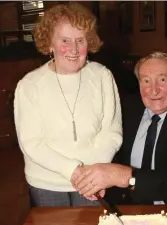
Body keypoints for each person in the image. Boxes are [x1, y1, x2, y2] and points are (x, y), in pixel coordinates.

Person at [73, 52, 167, 204]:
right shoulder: (127, 107)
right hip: (133, 208)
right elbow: (113, 152)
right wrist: (101, 182)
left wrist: (122, 176)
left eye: (162, 79)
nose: (154, 90)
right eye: (146, 81)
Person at [14, 2, 122, 207]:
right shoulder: (30, 85)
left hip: (93, 177)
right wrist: (74, 170)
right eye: (65, 40)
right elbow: (32, 142)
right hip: (46, 182)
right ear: (49, 44)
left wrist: (94, 172)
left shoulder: (102, 76)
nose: (73, 49)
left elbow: (112, 131)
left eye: (80, 40)